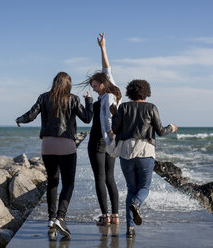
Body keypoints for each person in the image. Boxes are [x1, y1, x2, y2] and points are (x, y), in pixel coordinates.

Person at [15, 72, 93, 239]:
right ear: (68, 84)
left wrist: (19, 119)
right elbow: (87, 118)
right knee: (68, 183)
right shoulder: (73, 99)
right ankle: (60, 218)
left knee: (52, 182)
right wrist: (89, 101)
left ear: (55, 82)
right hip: (66, 145)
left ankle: (51, 220)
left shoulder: (43, 97)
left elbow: (30, 115)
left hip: (47, 145)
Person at [110, 79, 178, 238]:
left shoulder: (124, 107)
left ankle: (130, 229)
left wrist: (115, 114)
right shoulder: (151, 107)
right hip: (145, 151)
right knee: (144, 188)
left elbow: (115, 128)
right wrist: (172, 128)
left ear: (130, 92)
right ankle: (137, 203)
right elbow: (160, 131)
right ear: (146, 92)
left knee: (131, 188)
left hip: (126, 152)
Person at [84, 33, 121, 226]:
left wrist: (108, 138)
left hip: (100, 141)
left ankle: (105, 216)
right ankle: (115, 216)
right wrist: (103, 48)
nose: (96, 89)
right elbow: (107, 68)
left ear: (103, 83)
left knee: (100, 179)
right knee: (110, 179)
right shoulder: (114, 92)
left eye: (96, 86)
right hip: (111, 142)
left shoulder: (106, 97)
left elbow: (107, 121)